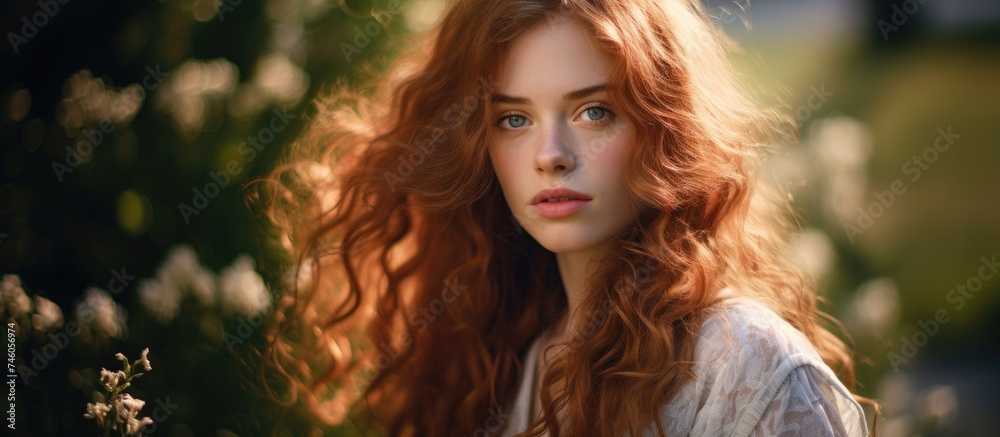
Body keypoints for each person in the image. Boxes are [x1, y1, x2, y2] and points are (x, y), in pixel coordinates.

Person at [258, 0, 877, 435]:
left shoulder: (746, 364)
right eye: (514, 119)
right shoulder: (525, 362)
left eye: (594, 112)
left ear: (662, 129)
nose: (551, 155)